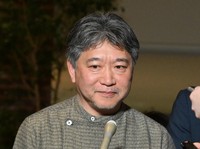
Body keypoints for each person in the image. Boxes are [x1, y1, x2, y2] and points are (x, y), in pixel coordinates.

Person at [13, 11, 175, 148]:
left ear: (132, 69)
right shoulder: (39, 129)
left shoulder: (154, 137)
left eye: (119, 67)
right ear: (72, 69)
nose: (108, 79)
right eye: (95, 66)